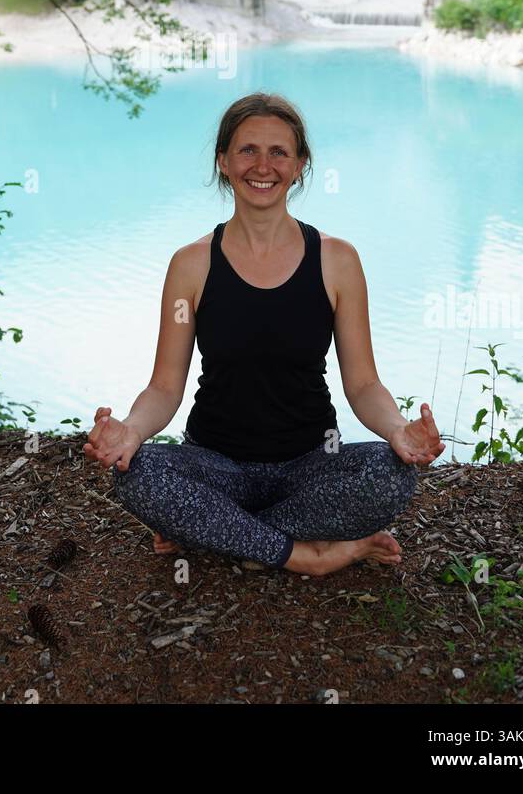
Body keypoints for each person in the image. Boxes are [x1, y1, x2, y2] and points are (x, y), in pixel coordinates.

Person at [84, 91, 445, 576]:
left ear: (300, 165)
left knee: (391, 476)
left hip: (311, 463)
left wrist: (398, 430)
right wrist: (130, 430)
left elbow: (362, 384)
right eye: (248, 150)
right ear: (224, 162)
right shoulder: (190, 264)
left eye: (279, 152)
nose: (263, 165)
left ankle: (217, 530)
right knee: (138, 474)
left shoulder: (337, 260)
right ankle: (308, 554)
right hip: (215, 463)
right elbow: (165, 387)